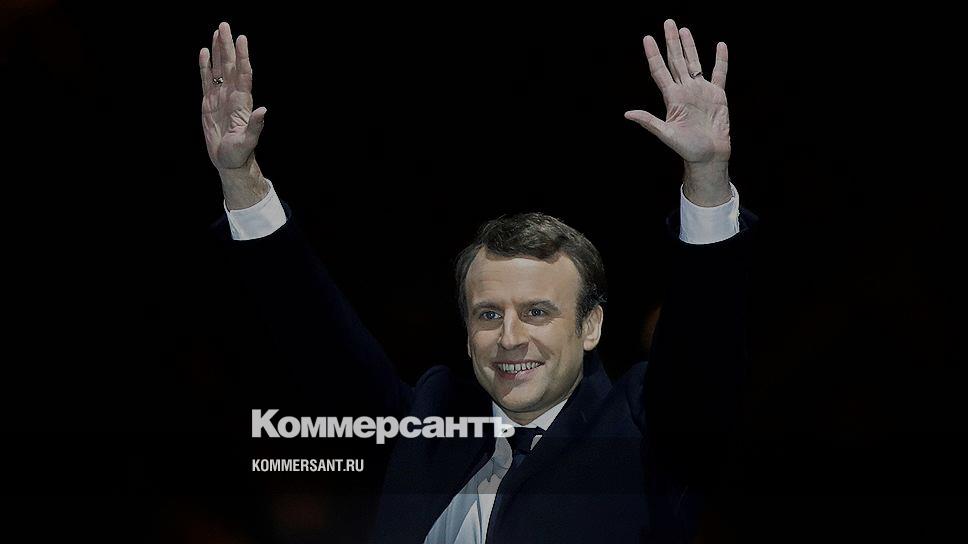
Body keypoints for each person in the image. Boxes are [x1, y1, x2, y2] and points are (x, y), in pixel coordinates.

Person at [200, 18, 756, 543]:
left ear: (590, 325)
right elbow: (315, 335)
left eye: (537, 311)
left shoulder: (647, 431)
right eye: (489, 314)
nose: (510, 337)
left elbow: (703, 353)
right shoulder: (429, 422)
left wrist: (707, 177)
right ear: (467, 333)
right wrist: (239, 176)